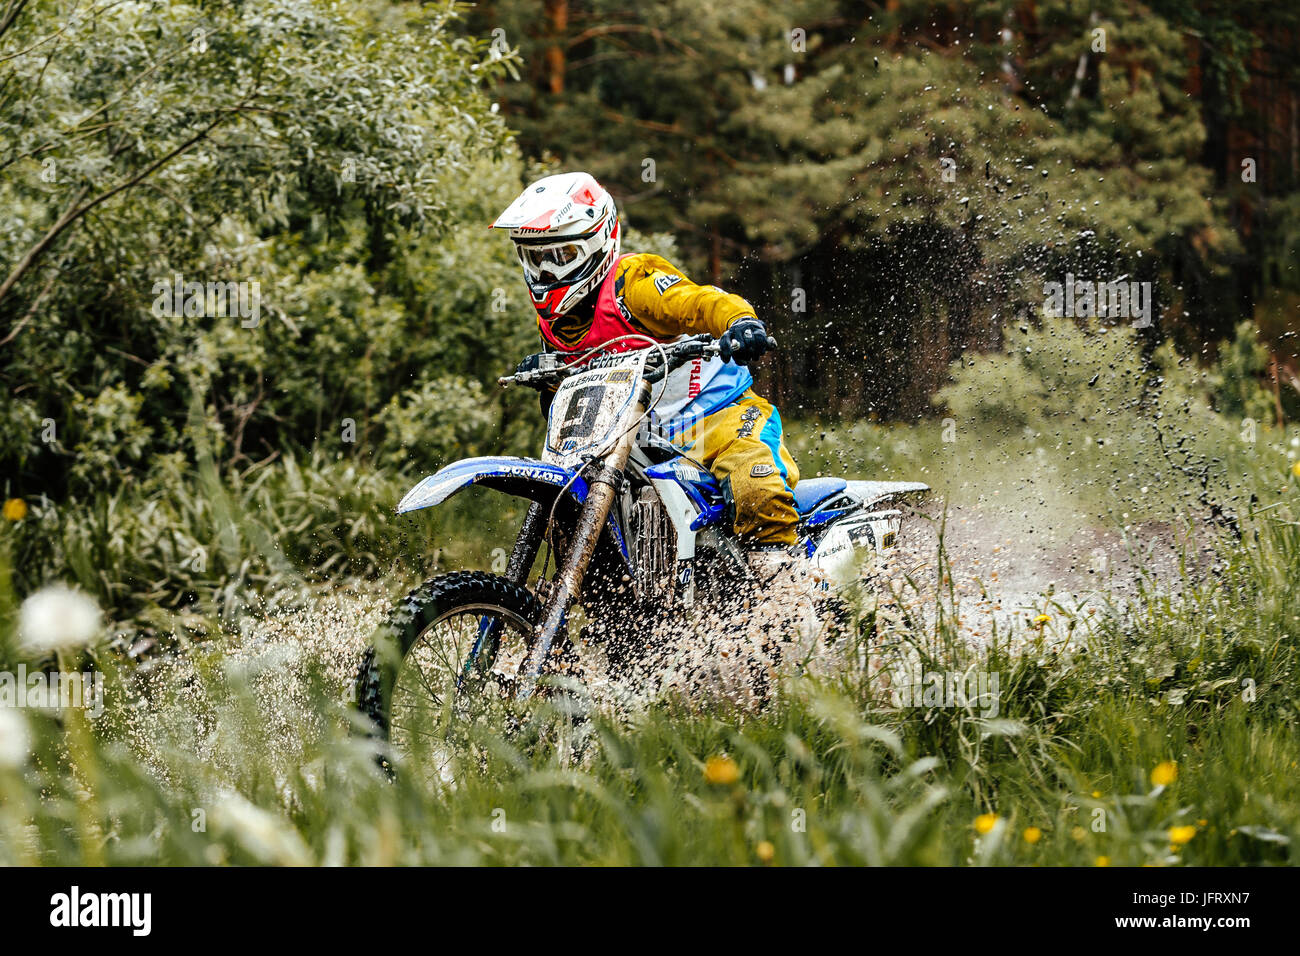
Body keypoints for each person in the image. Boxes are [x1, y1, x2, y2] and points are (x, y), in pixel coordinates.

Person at [490, 171, 802, 579]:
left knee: (754, 486)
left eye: (560, 256)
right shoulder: (556, 324)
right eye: (536, 259)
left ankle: (782, 595)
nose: (547, 273)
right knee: (569, 509)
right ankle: (622, 621)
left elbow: (702, 302)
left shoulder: (632, 287)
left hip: (714, 417)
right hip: (631, 438)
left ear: (597, 242)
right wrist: (548, 378)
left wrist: (740, 322)